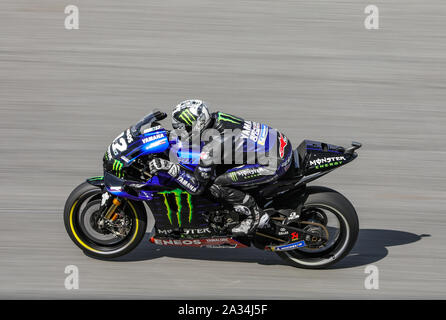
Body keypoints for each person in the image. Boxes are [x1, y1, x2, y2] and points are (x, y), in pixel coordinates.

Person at [148, 99, 293, 236]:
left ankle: (254, 215)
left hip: (274, 162)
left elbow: (198, 185)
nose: (182, 133)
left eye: (185, 128)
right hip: (278, 142)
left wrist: (172, 168)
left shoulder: (214, 145)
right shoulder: (216, 118)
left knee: (217, 184)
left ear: (198, 123)